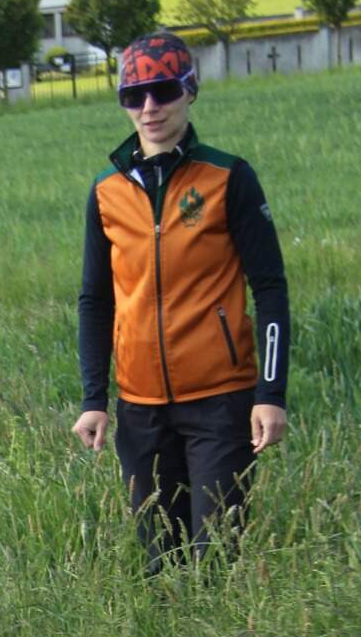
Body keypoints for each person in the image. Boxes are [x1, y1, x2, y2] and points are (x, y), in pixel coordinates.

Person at [73, 30, 289, 568]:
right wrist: (94, 398)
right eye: (134, 95)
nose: (149, 107)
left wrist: (271, 393)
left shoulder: (228, 178)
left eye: (164, 90)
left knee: (215, 558)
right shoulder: (106, 192)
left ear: (190, 90)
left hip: (221, 402)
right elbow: (95, 300)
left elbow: (270, 289)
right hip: (140, 409)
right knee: (159, 567)